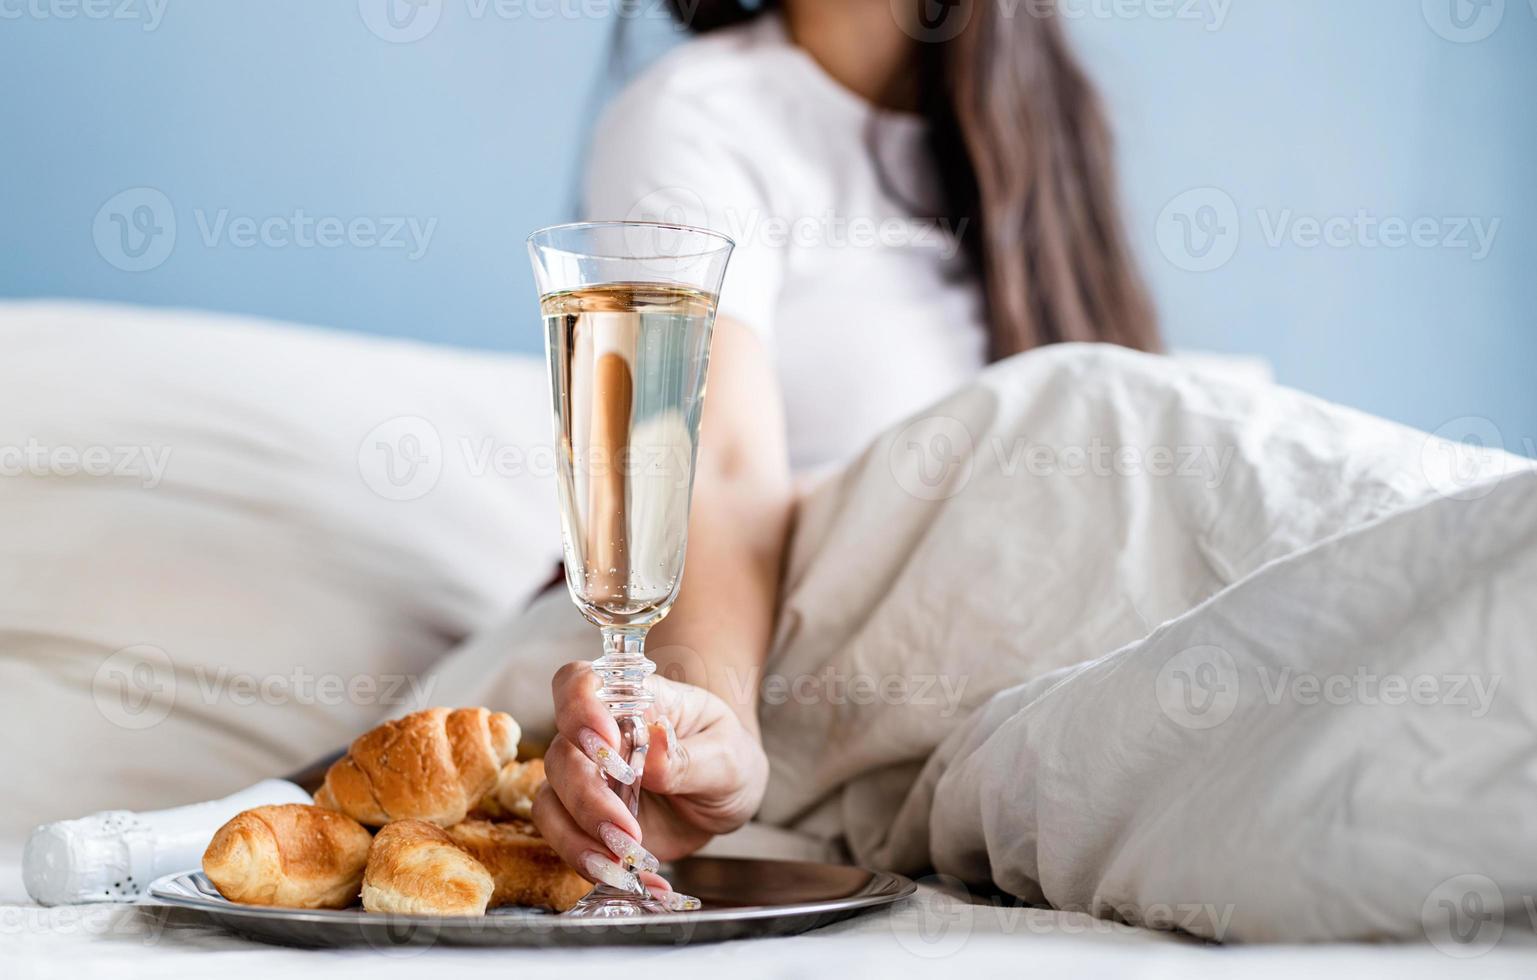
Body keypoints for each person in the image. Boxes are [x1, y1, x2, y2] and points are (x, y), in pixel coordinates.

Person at [531, 0, 1161, 901]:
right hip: (839, 651)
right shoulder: (700, 112)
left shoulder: (1044, 126)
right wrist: (717, 730)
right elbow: (712, 465)